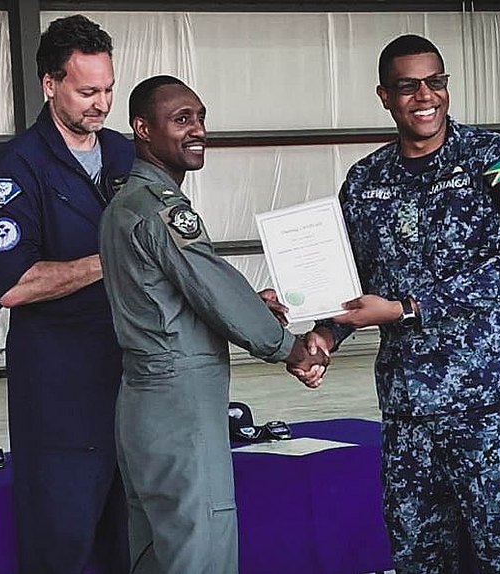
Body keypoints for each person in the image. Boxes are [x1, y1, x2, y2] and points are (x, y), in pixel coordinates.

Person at [294, 35, 500, 573]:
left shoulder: (495, 162)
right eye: (408, 87)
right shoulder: (365, 181)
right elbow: (350, 277)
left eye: (436, 82)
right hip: (408, 411)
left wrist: (405, 308)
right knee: (418, 558)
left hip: (485, 407)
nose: (425, 96)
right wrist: (324, 336)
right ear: (385, 96)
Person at [99, 75, 327, 574]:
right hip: (180, 403)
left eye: (200, 118)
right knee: (200, 546)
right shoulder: (162, 210)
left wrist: (250, 302)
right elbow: (209, 286)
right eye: (182, 120)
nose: (197, 129)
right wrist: (289, 349)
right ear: (142, 129)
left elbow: (186, 290)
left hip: (140, 402)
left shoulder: (125, 204)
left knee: (156, 551)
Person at [0, 15, 132, 574]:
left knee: (130, 542)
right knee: (61, 542)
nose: (102, 103)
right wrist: (109, 260)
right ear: (50, 84)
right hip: (62, 394)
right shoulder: (17, 168)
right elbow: (15, 285)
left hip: (134, 380)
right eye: (87, 91)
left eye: (108, 89)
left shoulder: (127, 156)